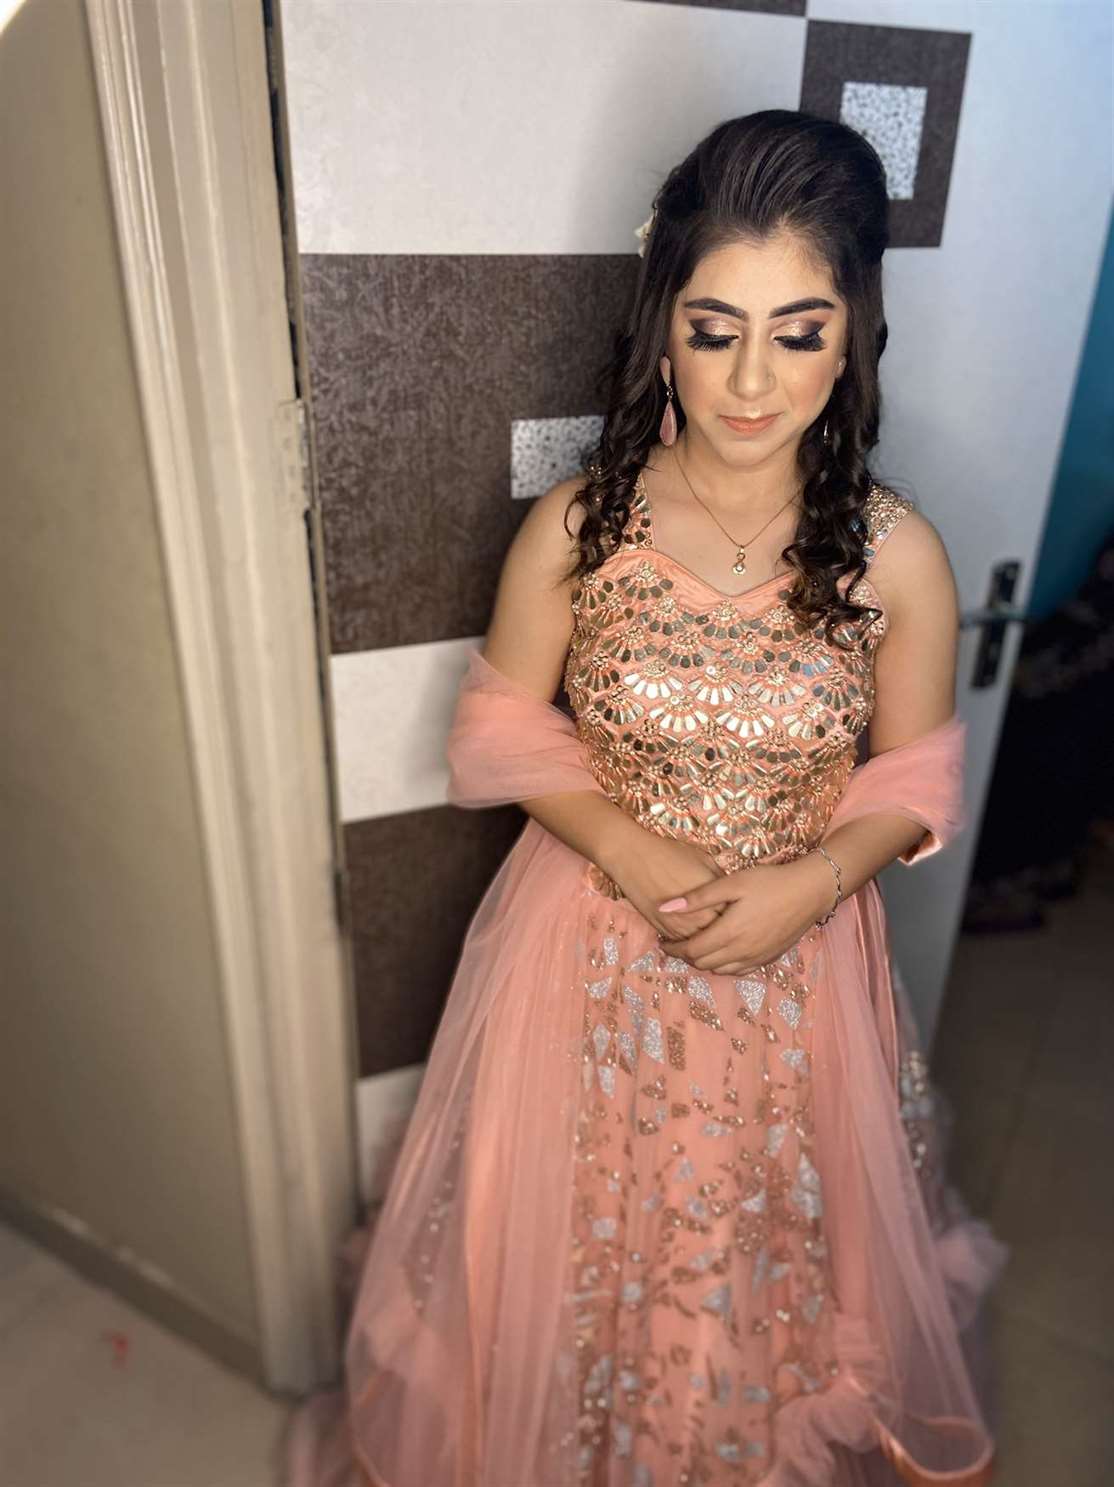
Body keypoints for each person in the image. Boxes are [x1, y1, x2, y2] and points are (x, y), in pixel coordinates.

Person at [284, 109, 1006, 1487]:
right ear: (662, 328)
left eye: (798, 333)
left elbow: (913, 782)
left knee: (754, 1257)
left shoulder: (898, 554)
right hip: (586, 953)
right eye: (713, 330)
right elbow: (503, 728)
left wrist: (808, 884)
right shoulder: (580, 525)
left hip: (796, 971)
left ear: (853, 336)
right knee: (564, 1242)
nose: (753, 380)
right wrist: (627, 844)